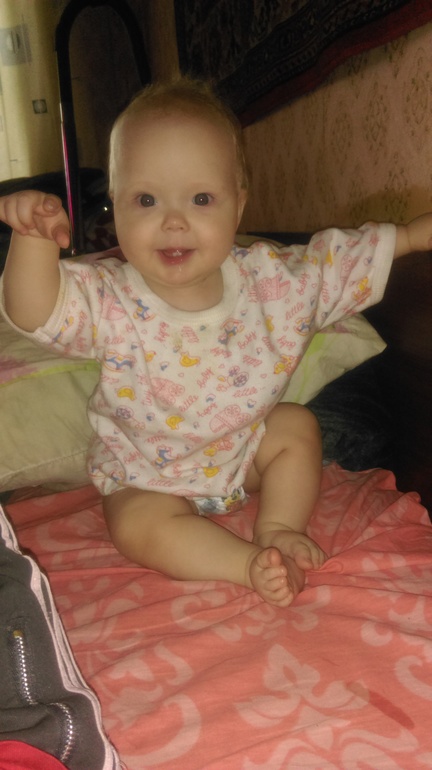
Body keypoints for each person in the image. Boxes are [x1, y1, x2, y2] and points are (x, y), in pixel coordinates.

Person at [0, 77, 431, 608]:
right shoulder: (108, 298)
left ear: (238, 207)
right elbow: (34, 311)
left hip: (242, 456)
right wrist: (31, 240)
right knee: (136, 526)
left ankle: (278, 527)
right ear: (116, 206)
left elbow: (337, 264)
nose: (173, 221)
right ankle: (243, 564)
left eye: (201, 198)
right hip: (146, 475)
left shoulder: (273, 281)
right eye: (146, 199)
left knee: (296, 426)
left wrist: (410, 237)